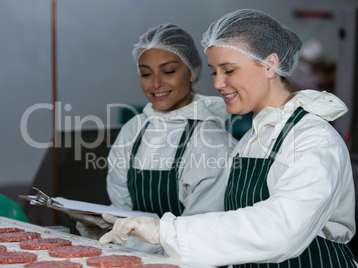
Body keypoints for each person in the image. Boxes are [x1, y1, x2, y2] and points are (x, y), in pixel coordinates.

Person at [99, 9, 357, 267]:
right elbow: (231, 229)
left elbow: (281, 229)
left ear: (270, 64)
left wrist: (164, 232)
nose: (218, 83)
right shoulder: (251, 140)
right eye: (214, 72)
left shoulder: (313, 139)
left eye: (229, 70)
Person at [70, 23, 237, 254]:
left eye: (168, 71)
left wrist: (131, 242)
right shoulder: (133, 131)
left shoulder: (212, 141)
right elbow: (122, 208)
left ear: (193, 71)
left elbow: (202, 233)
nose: (155, 83)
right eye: (146, 74)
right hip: (131, 257)